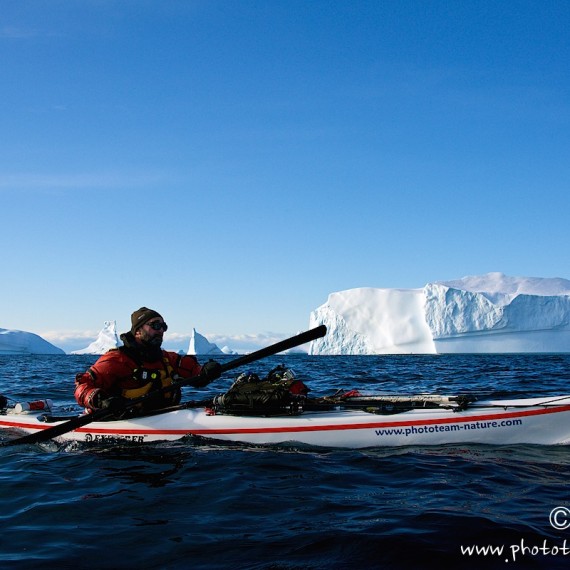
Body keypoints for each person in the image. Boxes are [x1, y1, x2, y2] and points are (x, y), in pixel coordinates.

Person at [75, 307, 222, 416]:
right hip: (119, 424)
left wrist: (207, 371)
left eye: (163, 327)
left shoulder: (168, 359)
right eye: (155, 326)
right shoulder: (117, 360)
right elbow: (83, 386)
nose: (161, 331)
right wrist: (101, 400)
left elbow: (196, 375)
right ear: (138, 331)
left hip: (161, 419)